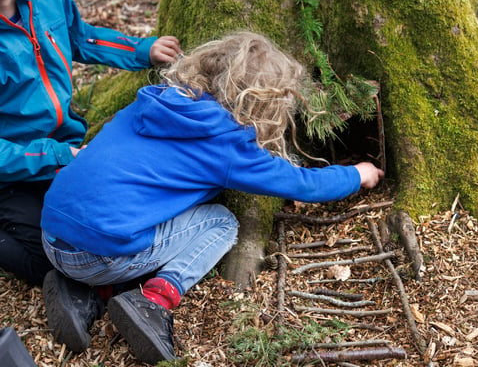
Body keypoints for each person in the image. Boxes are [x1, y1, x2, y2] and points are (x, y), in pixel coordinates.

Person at [40, 31, 384, 364]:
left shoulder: (156, 101)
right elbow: (301, 183)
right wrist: (357, 174)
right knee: (220, 222)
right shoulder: (228, 144)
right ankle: (154, 300)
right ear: (264, 101)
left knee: (124, 217)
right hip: (99, 254)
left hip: (52, 232)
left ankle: (86, 293)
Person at [0, 0, 181, 286]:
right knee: (50, 260)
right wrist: (57, 154)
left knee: (100, 235)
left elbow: (81, 38)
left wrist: (141, 50)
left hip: (64, 150)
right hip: (11, 175)